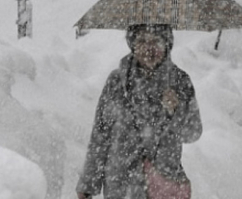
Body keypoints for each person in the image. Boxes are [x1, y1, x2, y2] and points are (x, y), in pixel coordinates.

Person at [76, 24, 203, 199]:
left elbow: (193, 132)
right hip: (120, 186)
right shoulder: (116, 81)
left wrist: (177, 111)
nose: (149, 48)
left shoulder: (180, 82)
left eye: (156, 41)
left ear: (167, 43)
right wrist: (88, 183)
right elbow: (100, 135)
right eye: (142, 40)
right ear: (132, 43)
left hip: (162, 184)